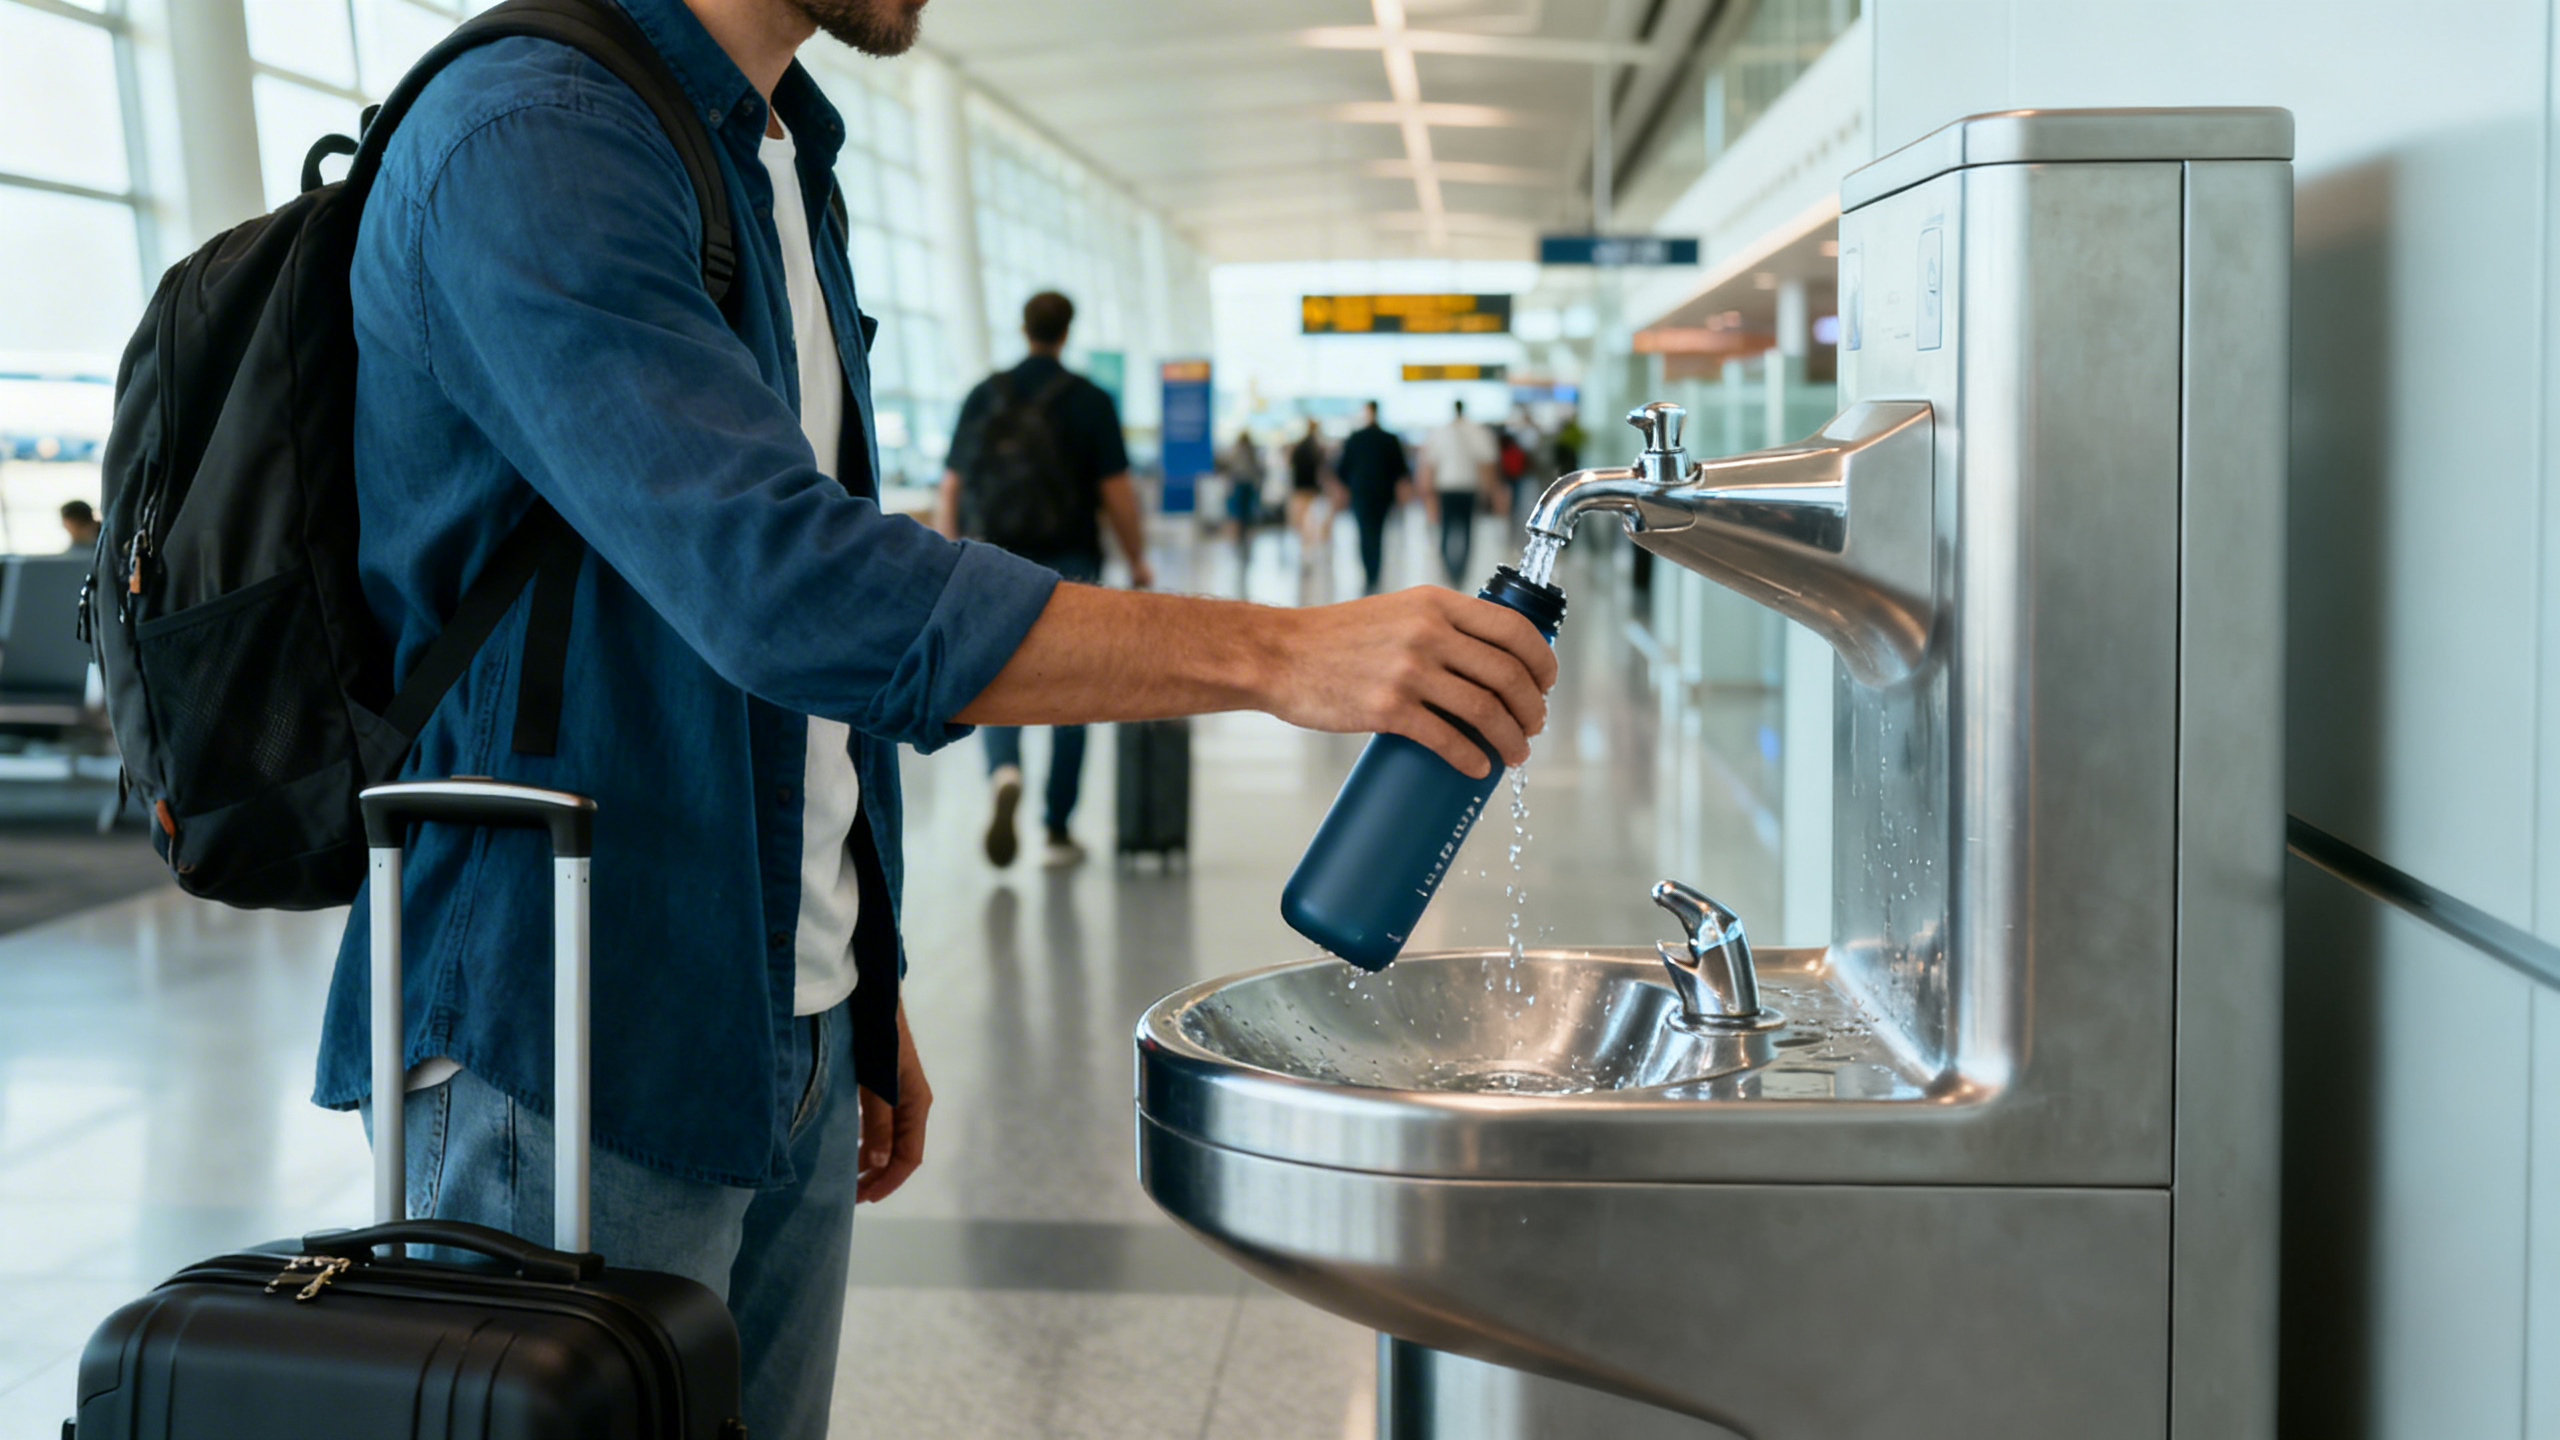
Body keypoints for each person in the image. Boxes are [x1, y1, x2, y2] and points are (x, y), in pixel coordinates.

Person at [333, 1, 1556, 1434]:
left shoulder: (779, 152)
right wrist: (1281, 654)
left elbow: (788, 650)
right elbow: (782, 586)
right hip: (559, 1023)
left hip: (763, 1005)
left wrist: (853, 970)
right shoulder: (534, 134)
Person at [936, 290, 1149, 870]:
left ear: (1023, 325)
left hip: (990, 559)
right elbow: (1117, 495)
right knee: (1073, 689)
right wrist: (1137, 558)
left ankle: (1003, 768)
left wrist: (949, 553)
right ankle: (1057, 830)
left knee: (991, 674)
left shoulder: (983, 394)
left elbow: (951, 487)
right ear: (1066, 330)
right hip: (1070, 560)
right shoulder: (1090, 401)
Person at [1418, 399, 1499, 585]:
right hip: (1468, 488)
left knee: (1446, 529)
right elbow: (1486, 463)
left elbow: (1430, 463)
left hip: (1446, 488)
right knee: (1467, 530)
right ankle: (1460, 571)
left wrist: (1427, 492)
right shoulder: (1476, 431)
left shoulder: (1441, 432)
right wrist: (1490, 490)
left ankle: (1449, 570)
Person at [1333, 400, 1410, 594]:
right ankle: (1374, 572)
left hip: (1361, 493)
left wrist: (1344, 490)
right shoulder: (1389, 439)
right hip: (1383, 494)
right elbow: (1400, 469)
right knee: (1378, 533)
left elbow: (1342, 469)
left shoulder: (1355, 438)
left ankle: (1369, 572)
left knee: (1364, 532)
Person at [1286, 417, 1330, 556]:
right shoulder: (1316, 448)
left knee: (1302, 522)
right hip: (1311, 488)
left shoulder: (1300, 446)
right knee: (1311, 520)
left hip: (1300, 488)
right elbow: (1322, 469)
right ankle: (1309, 548)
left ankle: (1306, 548)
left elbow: (1291, 465)